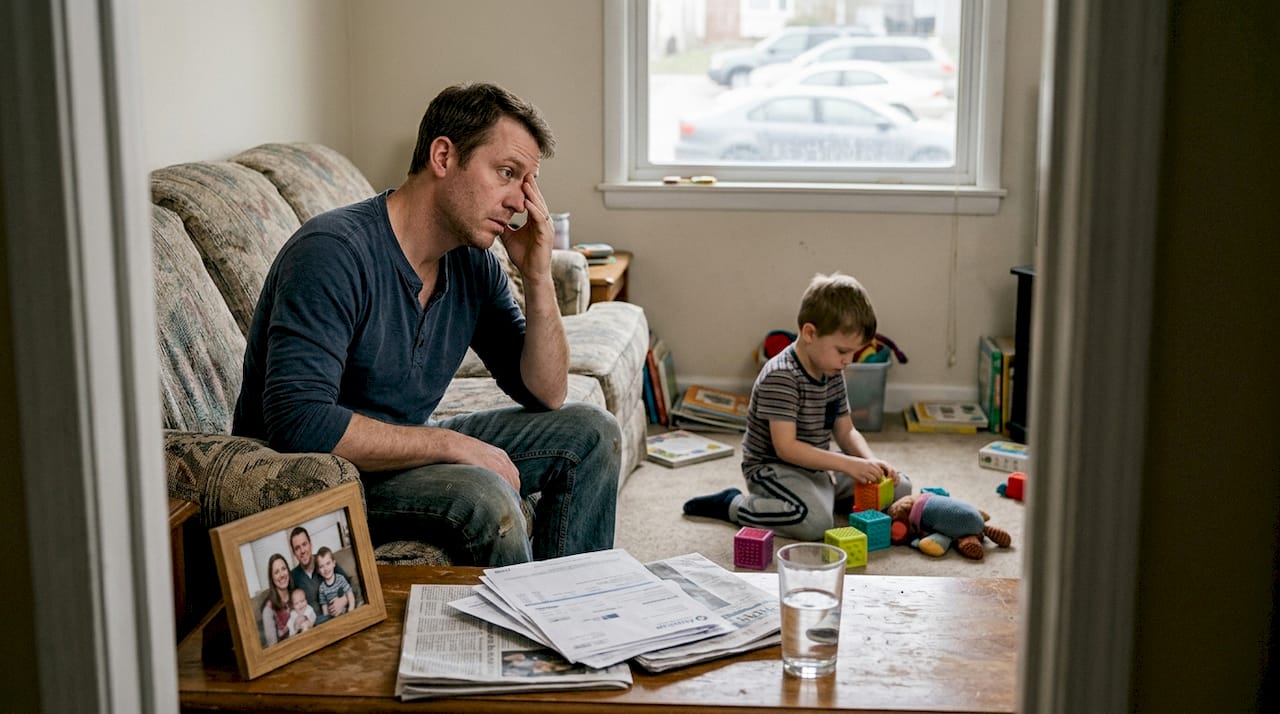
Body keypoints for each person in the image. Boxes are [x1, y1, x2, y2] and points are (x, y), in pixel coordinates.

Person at [232, 82, 618, 566]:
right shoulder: (332, 252)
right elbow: (299, 421)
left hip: (404, 453)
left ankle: (576, 619)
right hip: (322, 475)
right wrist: (451, 444)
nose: (521, 202)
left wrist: (537, 275)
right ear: (443, 156)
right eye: (507, 173)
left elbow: (546, 392)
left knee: (591, 434)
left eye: (527, 182)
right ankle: (522, 637)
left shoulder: (472, 265)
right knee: (485, 494)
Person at [682, 273, 910, 541]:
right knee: (814, 523)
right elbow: (786, 448)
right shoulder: (781, 376)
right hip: (775, 469)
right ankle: (734, 505)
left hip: (819, 467)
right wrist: (848, 465)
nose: (848, 360)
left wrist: (868, 461)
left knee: (900, 486)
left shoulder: (833, 369)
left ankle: (824, 496)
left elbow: (846, 431)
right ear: (810, 333)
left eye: (853, 353)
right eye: (842, 351)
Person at [288, 526, 351, 624]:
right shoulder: (293, 577)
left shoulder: (325, 562)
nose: (302, 551)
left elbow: (351, 585)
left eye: (304, 544)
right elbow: (288, 606)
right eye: (297, 548)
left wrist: (344, 599)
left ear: (310, 544)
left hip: (338, 619)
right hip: (315, 627)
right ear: (294, 553)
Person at [261, 553, 293, 646]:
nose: (282, 575)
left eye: (284, 569)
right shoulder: (268, 610)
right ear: (272, 578)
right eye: (276, 572)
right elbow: (273, 648)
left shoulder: (297, 594)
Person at [314, 546, 355, 618]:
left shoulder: (341, 579)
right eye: (321, 566)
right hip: (333, 619)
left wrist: (350, 613)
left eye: (328, 563)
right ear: (318, 570)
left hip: (347, 614)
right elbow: (325, 610)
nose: (326, 569)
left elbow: (350, 597)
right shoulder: (322, 588)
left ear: (334, 563)